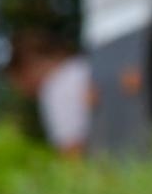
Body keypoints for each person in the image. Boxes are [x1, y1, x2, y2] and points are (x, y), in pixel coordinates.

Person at [5, 28, 91, 157]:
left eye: (18, 83)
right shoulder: (81, 66)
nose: (22, 92)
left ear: (27, 68)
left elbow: (72, 148)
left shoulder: (56, 87)